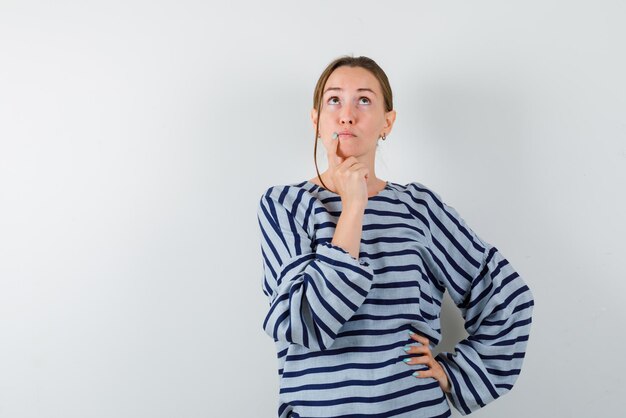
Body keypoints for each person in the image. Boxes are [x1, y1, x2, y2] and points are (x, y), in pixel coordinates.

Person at [256, 55, 534, 418]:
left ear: (388, 122)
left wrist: (456, 374)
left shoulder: (419, 207)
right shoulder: (285, 205)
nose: (347, 114)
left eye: (365, 100)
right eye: (334, 99)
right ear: (316, 119)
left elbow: (507, 297)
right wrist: (353, 206)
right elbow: (302, 323)